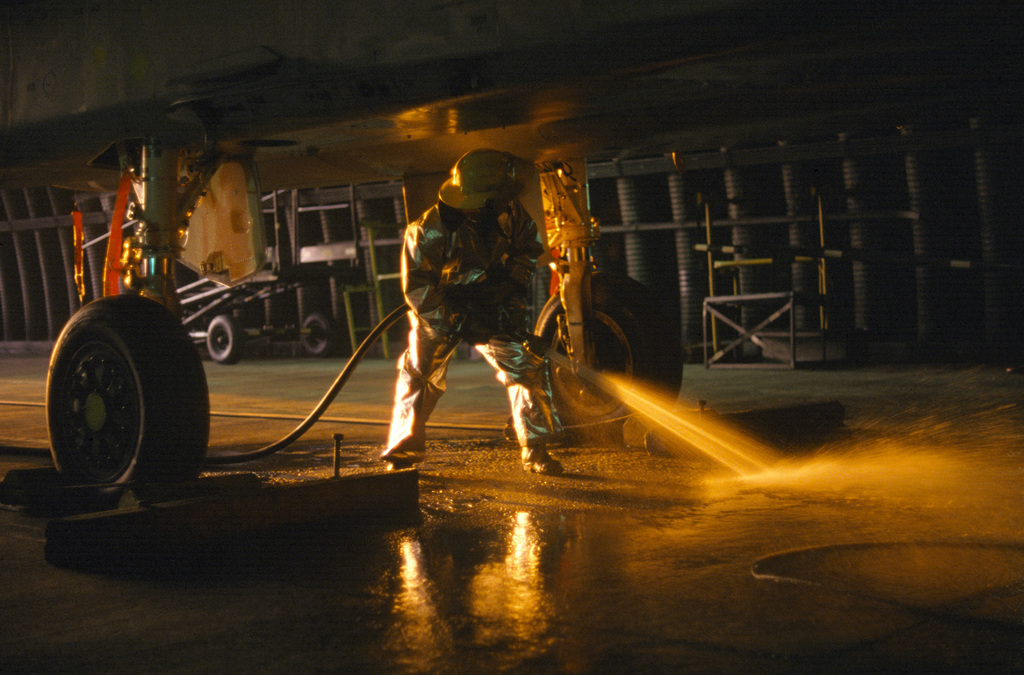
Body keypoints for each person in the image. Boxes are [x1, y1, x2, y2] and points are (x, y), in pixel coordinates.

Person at [382, 149, 565, 475]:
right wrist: (452, 317)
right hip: (440, 309)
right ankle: (403, 450)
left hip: (490, 304)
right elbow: (419, 287)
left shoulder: (511, 215)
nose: (506, 202)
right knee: (421, 373)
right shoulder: (428, 230)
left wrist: (508, 291)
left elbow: (526, 254)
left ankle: (536, 451)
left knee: (527, 366)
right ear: (478, 200)